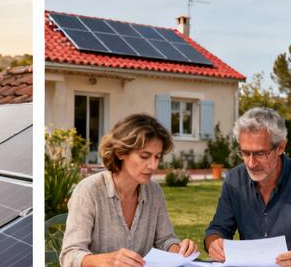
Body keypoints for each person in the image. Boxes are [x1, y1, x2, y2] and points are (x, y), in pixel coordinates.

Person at [204, 107, 291, 267]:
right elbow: (217, 229)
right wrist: (214, 244)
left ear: (281, 147)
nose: (251, 163)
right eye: (245, 153)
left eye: (260, 154)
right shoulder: (234, 179)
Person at [61, 114, 196, 267]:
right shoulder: (89, 191)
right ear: (120, 153)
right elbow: (70, 255)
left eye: (157, 157)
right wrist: (106, 260)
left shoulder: (154, 192)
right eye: (145, 156)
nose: (153, 166)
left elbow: (165, 239)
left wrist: (179, 250)